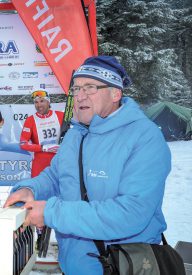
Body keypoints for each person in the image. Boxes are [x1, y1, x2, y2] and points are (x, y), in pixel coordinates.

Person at [4, 56, 171, 275]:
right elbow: (56, 176)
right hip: (73, 265)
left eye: (90, 87)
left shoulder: (144, 137)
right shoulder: (76, 134)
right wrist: (30, 189)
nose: (80, 95)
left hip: (124, 267)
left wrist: (52, 213)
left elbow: (132, 213)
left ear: (115, 94)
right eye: (76, 88)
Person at [20, 90, 64, 177]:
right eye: (36, 102)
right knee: (38, 189)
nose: (39, 105)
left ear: (48, 101)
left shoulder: (61, 115)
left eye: (42, 101)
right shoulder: (30, 120)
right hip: (40, 164)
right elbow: (23, 144)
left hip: (60, 161)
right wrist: (43, 148)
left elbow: (73, 134)